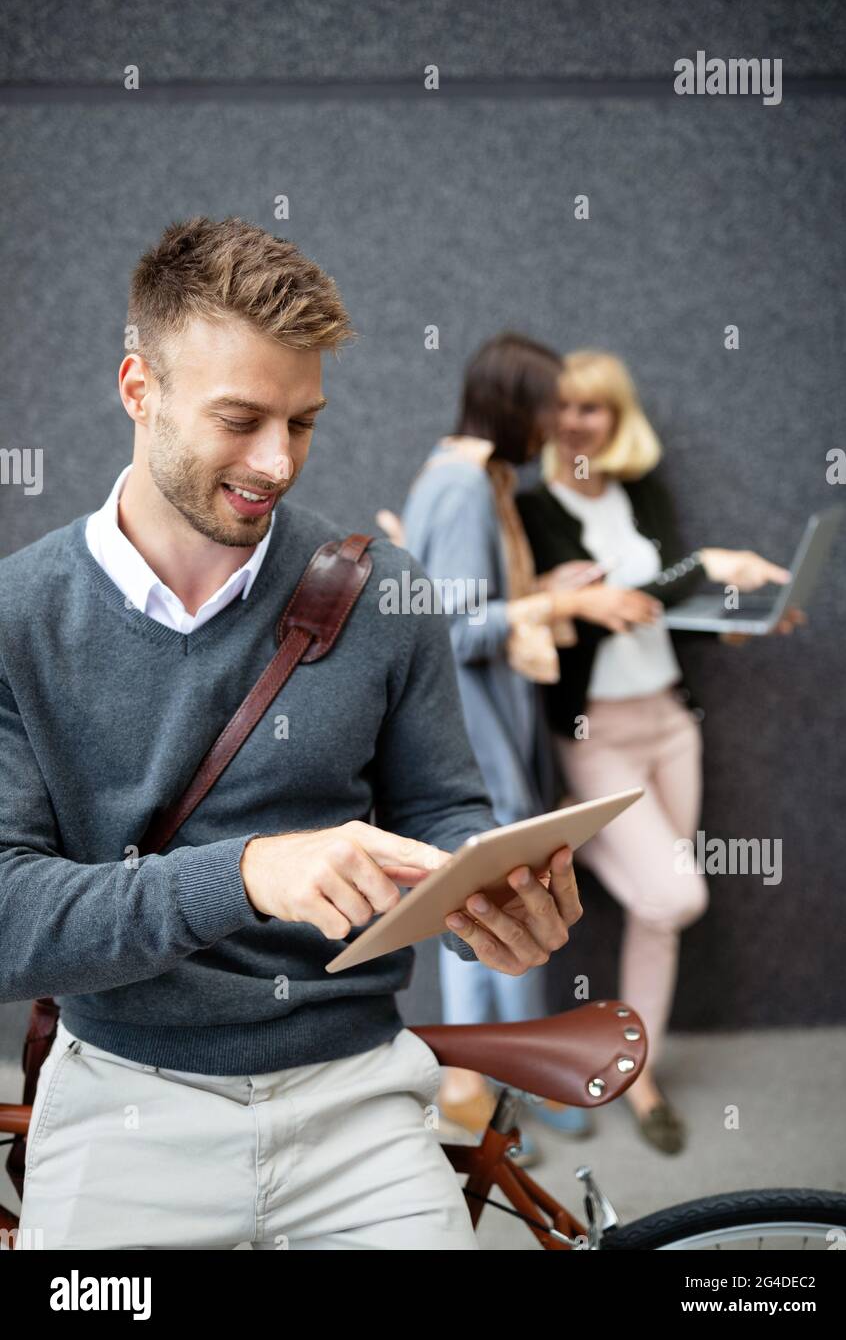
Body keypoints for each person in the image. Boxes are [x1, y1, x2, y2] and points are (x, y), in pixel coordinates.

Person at [0, 218, 582, 1250]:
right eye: (241, 419)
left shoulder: (384, 594)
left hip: (356, 1098)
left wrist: (481, 887)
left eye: (302, 423)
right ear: (138, 390)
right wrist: (250, 871)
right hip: (124, 1101)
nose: (277, 463)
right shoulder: (19, 617)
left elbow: (442, 807)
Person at [516, 349, 804, 1155]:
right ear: (545, 419)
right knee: (677, 895)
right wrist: (708, 565)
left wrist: (742, 613)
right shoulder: (534, 509)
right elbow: (622, 598)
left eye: (594, 409)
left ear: (617, 419)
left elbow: (664, 599)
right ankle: (576, 831)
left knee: (658, 916)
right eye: (564, 408)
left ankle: (639, 1077)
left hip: (671, 720)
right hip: (594, 729)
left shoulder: (641, 491)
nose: (578, 422)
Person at [397, 333, 602, 1156]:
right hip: (477, 748)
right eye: (549, 404)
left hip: (485, 743)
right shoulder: (463, 489)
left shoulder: (473, 474)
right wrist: (537, 613)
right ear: (516, 404)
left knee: (487, 910)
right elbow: (442, 629)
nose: (558, 421)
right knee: (501, 910)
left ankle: (493, 1086)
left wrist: (534, 593)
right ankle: (499, 1085)